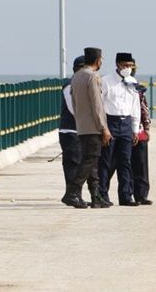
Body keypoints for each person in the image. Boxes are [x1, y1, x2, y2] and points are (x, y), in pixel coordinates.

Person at [62, 47, 112, 209]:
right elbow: (97, 105)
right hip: (93, 126)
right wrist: (104, 128)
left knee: (91, 162)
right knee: (89, 161)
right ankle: (72, 192)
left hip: (82, 125)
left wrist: (80, 121)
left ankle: (95, 196)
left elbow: (75, 104)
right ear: (97, 60)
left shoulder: (76, 77)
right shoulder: (92, 77)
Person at [99, 52, 142, 207]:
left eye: (130, 66)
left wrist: (135, 129)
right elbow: (100, 106)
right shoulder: (106, 81)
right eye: (125, 65)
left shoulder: (132, 81)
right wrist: (103, 128)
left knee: (126, 162)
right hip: (110, 122)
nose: (128, 68)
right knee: (106, 161)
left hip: (126, 123)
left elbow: (135, 106)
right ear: (117, 65)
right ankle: (102, 195)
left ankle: (126, 196)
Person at [58, 55, 86, 194]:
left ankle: (76, 194)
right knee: (72, 163)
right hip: (70, 131)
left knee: (80, 164)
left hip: (80, 130)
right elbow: (73, 109)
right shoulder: (70, 85)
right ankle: (72, 194)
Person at [131, 58, 153, 205]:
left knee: (141, 164)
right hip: (122, 130)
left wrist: (146, 127)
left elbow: (144, 109)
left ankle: (141, 195)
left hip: (139, 130)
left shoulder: (138, 88)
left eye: (132, 67)